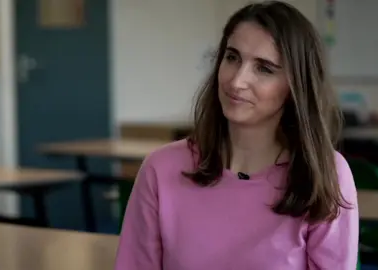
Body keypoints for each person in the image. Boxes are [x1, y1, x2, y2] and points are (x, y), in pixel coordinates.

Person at [114, 1, 359, 269]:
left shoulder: (327, 175)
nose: (237, 81)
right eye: (232, 58)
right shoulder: (160, 169)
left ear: (295, 86)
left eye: (264, 68)